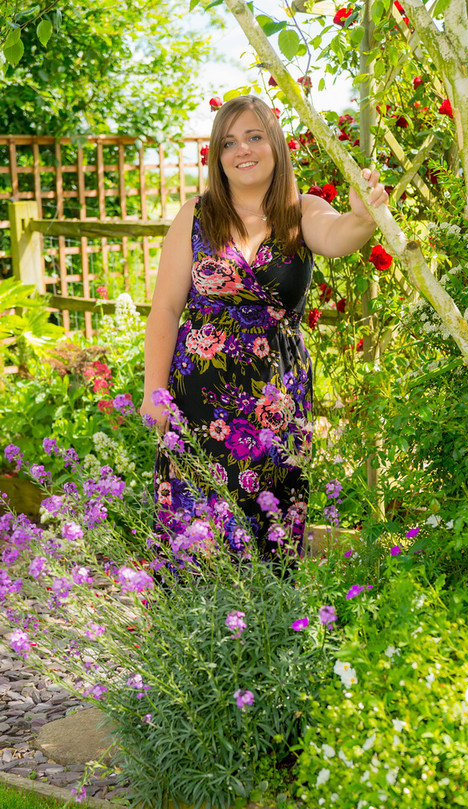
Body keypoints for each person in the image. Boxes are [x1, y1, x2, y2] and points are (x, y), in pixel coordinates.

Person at [140, 94, 388, 561]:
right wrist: (155, 391)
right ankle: (194, 631)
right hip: (198, 396)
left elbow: (338, 238)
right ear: (218, 156)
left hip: (277, 400)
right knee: (195, 528)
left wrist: (361, 215)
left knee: (270, 528)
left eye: (254, 137)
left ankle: (269, 632)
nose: (243, 150)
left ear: (275, 144)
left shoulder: (304, 211)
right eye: (229, 142)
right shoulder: (196, 215)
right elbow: (166, 309)